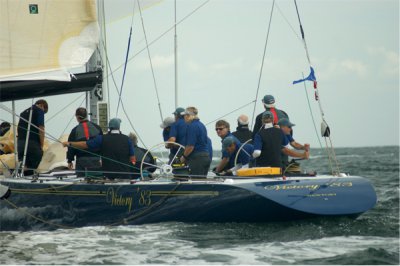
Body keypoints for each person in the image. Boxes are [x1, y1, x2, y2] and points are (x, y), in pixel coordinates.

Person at [63, 118, 135, 180]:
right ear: (119, 127)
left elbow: (85, 144)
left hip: (108, 177)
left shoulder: (101, 138)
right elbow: (132, 159)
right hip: (125, 177)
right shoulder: (128, 139)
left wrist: (70, 144)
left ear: (109, 127)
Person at [66, 107, 103, 177]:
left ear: (77, 117)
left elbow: (71, 147)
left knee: (81, 182)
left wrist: (70, 161)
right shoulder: (98, 128)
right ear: (86, 115)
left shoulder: (74, 130)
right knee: (97, 182)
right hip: (96, 160)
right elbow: (103, 144)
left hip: (81, 161)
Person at [17, 99, 48, 175]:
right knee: (34, 164)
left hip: (20, 143)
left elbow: (18, 128)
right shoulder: (39, 110)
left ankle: (21, 174)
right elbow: (41, 129)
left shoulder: (22, 113)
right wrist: (41, 145)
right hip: (32, 143)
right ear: (41, 105)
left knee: (24, 164)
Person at [180, 107, 211, 177]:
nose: (184, 117)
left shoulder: (192, 126)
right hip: (206, 157)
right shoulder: (202, 125)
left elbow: (190, 146)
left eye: (184, 115)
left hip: (197, 159)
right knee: (202, 183)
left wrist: (184, 157)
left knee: (195, 182)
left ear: (188, 116)